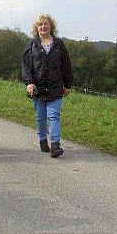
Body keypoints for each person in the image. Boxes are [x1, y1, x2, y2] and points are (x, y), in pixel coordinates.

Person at [21, 14, 73, 158]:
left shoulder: (59, 44)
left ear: (51, 26)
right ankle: (43, 140)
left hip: (55, 87)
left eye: (46, 24)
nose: (43, 27)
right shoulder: (31, 44)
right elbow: (26, 66)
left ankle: (55, 145)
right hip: (38, 87)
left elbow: (66, 65)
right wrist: (29, 82)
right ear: (36, 28)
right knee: (40, 116)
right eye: (40, 24)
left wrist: (68, 84)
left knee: (54, 115)